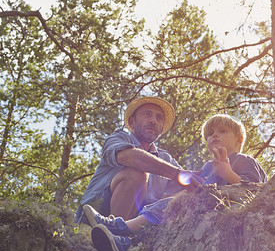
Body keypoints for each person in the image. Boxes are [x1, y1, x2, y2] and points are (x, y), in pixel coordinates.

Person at [82, 114, 268, 251]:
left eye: (222, 131)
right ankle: (124, 244)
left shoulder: (243, 160)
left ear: (239, 140)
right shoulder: (208, 167)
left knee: (172, 203)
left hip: (222, 210)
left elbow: (257, 190)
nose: (214, 136)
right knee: (170, 207)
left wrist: (228, 173)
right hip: (202, 211)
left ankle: (120, 228)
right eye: (210, 134)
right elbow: (193, 187)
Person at [75, 96, 200, 224]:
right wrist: (175, 173)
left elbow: (192, 182)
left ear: (161, 129)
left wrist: (216, 167)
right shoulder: (117, 138)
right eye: (147, 114)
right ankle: (112, 231)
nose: (153, 121)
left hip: (132, 226)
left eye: (159, 118)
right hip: (91, 216)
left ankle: (120, 235)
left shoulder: (165, 158)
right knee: (137, 174)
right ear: (131, 122)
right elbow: (130, 157)